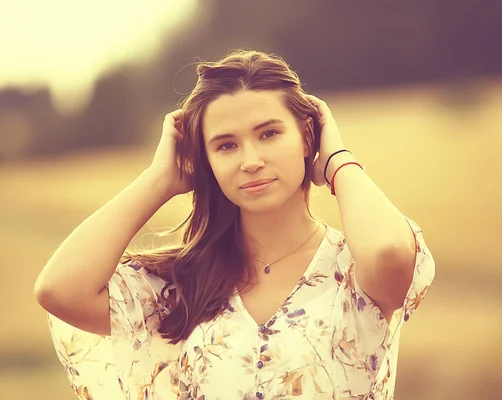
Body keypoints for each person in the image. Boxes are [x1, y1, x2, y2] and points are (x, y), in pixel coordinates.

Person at [35, 49, 435, 400]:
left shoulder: (354, 274)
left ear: (307, 135)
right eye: (226, 145)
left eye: (269, 133)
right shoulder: (177, 289)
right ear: (204, 160)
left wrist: (336, 161)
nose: (250, 160)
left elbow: (391, 252)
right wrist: (159, 179)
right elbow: (59, 290)